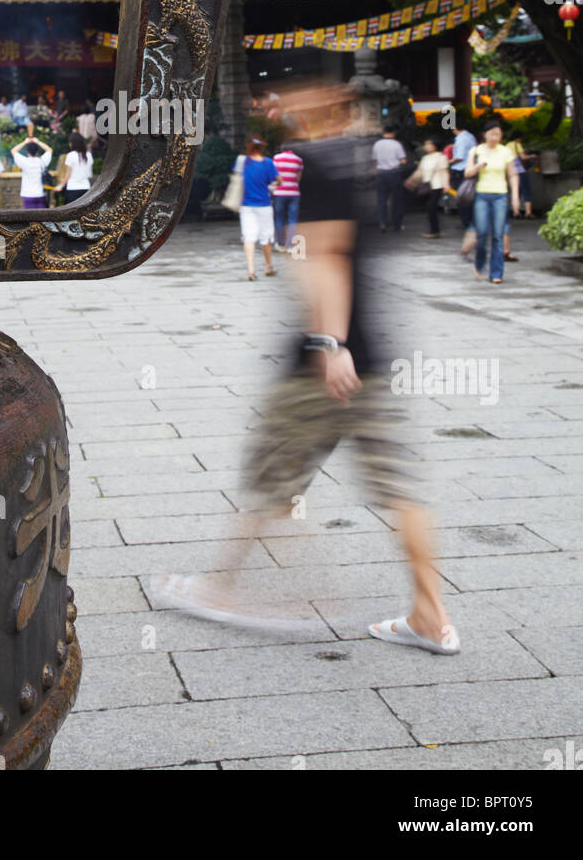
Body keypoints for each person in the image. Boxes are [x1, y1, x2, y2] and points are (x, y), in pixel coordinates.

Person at [152, 81, 459, 654]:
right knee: (398, 486)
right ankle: (431, 615)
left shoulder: (312, 159)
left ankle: (225, 590)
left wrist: (327, 342)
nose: (284, 105)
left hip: (321, 365)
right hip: (372, 355)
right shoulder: (358, 157)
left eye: (299, 99)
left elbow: (326, 254)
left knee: (270, 480)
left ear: (323, 110)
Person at [464, 120, 521, 283]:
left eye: (498, 133)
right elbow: (467, 173)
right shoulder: (476, 150)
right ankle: (479, 265)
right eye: (492, 133)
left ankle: (496, 273)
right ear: (485, 134)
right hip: (481, 195)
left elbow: (512, 175)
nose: (495, 137)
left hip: (500, 196)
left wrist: (515, 197)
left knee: (498, 235)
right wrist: (477, 167)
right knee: (481, 234)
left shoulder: (505, 152)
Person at [234, 135, 278, 280]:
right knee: (266, 237)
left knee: (249, 237)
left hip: (247, 206)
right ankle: (268, 265)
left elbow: (237, 178)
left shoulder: (242, 162)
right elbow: (276, 180)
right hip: (264, 205)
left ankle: (251, 270)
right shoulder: (268, 163)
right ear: (261, 148)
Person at [412, 136, 450, 238]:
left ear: (435, 146)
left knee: (431, 208)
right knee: (430, 209)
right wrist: (411, 182)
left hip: (436, 186)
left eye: (429, 144)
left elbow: (444, 172)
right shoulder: (425, 158)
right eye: (426, 144)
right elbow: (419, 172)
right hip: (426, 186)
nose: (426, 146)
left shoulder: (441, 157)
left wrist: (446, 184)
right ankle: (435, 230)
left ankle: (435, 231)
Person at [372, 126, 407, 232]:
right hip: (394, 174)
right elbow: (403, 160)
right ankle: (397, 224)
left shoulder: (377, 144)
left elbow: (374, 160)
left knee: (381, 199)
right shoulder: (396, 144)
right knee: (397, 200)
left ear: (383, 133)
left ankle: (383, 223)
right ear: (393, 133)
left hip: (381, 174)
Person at [271, 139, 303, 252]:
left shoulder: (276, 158)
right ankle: (291, 246)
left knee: (279, 218)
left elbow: (273, 175)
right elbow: (298, 178)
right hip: (294, 193)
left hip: (279, 193)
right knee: (293, 219)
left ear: (281, 149)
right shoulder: (299, 160)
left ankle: (281, 244)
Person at [449, 124, 477, 251]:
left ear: (455, 128)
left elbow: (459, 157)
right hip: (470, 170)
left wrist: (448, 161)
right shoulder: (471, 136)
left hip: (460, 171)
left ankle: (466, 222)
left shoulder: (460, 139)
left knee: (461, 197)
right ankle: (471, 221)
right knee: (470, 196)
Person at [11, 129, 52, 209]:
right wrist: (38, 141)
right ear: (37, 152)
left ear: (27, 152)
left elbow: (13, 150)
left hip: (27, 194)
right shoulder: (42, 161)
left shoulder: (24, 161)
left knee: (29, 219)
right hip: (40, 194)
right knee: (41, 219)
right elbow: (49, 150)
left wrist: (25, 142)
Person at [60, 131, 94, 204]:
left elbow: (68, 173)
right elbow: (89, 174)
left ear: (72, 144)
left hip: (73, 189)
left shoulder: (71, 155)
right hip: (86, 188)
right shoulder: (89, 155)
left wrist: (61, 184)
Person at [508, 132, 534, 219]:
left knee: (516, 191)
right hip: (520, 170)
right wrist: (532, 156)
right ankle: (528, 212)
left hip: (511, 171)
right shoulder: (517, 144)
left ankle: (516, 212)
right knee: (526, 190)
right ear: (518, 138)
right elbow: (523, 157)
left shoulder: (506, 146)